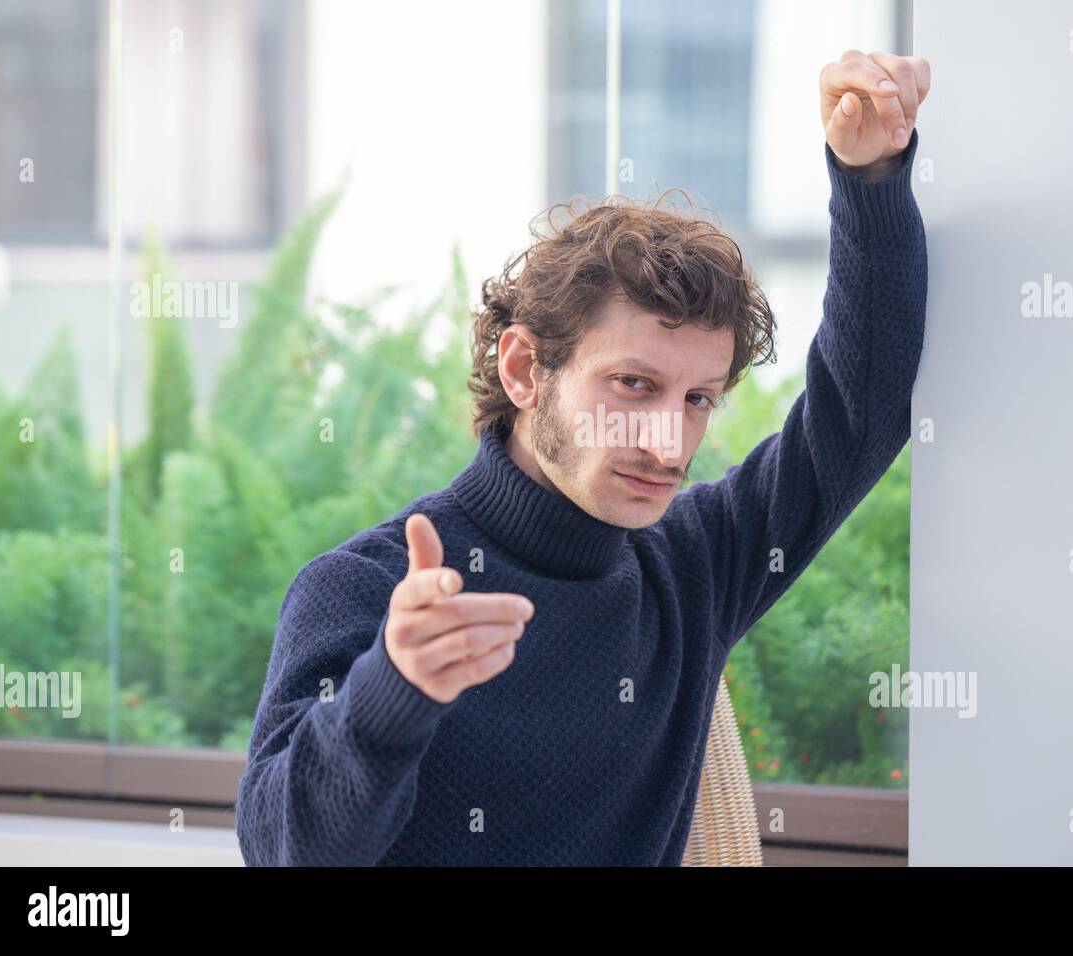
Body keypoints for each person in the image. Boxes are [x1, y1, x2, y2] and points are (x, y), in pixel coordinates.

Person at [236, 50, 931, 866]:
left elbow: (864, 407)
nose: (668, 440)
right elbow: (285, 850)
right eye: (634, 385)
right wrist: (393, 690)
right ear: (526, 369)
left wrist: (870, 175)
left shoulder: (695, 567)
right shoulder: (362, 590)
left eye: (697, 399)